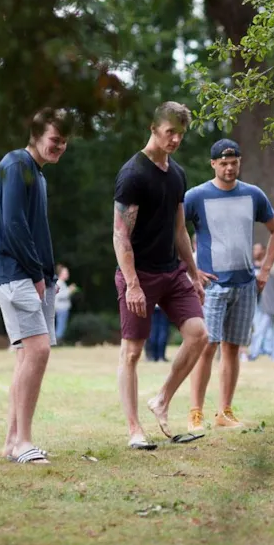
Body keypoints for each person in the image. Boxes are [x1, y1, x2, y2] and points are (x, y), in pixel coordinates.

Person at [113, 101, 212, 450]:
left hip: (172, 272)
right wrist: (133, 286)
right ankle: (134, 429)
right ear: (154, 129)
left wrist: (194, 272)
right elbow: (120, 234)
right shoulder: (133, 174)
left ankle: (162, 399)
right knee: (132, 352)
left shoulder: (178, 174)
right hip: (138, 273)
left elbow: (179, 228)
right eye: (170, 132)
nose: (175, 140)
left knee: (199, 334)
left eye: (180, 135)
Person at [0, 107, 71, 465]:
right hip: (14, 273)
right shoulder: (16, 164)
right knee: (38, 351)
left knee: (26, 355)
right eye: (55, 139)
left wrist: (48, 276)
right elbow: (14, 224)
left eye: (65, 142)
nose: (60, 146)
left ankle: (11, 442)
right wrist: (37, 274)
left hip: (34, 275)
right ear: (36, 134)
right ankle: (23, 442)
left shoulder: (37, 174)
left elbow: (36, 230)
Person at [185, 138, 274, 433]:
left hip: (245, 285)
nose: (229, 168)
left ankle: (223, 412)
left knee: (232, 349)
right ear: (213, 164)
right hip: (212, 286)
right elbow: (175, 231)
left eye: (234, 163)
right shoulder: (196, 196)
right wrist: (191, 271)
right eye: (223, 163)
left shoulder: (253, 195)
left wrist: (264, 270)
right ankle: (196, 413)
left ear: (240, 162)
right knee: (206, 347)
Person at [54, 264, 78, 342]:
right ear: (60, 273)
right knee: (61, 325)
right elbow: (58, 295)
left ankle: (58, 340)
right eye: (66, 272)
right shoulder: (59, 283)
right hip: (61, 308)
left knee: (61, 325)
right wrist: (69, 290)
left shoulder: (62, 283)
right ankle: (58, 341)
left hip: (63, 308)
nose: (68, 274)